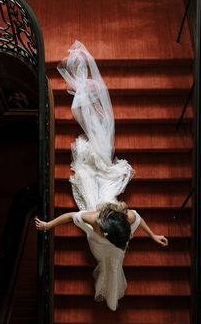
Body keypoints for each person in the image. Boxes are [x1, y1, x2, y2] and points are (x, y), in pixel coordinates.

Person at [35, 41, 168, 311]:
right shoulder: (123, 220)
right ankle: (111, 291)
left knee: (109, 257)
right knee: (112, 261)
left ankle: (110, 289)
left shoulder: (94, 220)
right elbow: (139, 220)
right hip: (115, 249)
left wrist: (49, 226)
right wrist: (153, 236)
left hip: (109, 248)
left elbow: (67, 218)